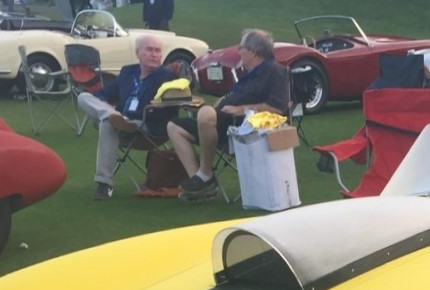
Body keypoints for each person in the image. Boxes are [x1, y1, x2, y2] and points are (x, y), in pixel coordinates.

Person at [170, 29, 289, 203]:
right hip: (221, 122)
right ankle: (201, 183)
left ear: (253, 52)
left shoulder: (275, 71)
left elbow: (278, 108)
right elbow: (233, 96)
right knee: (174, 126)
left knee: (206, 113)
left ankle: (205, 173)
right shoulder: (247, 73)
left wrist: (244, 109)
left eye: (241, 47)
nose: (239, 51)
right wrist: (218, 104)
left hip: (243, 129)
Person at [75, 34, 175, 200]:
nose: (154, 54)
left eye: (157, 51)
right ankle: (113, 116)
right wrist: (107, 108)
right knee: (84, 98)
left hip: (145, 125)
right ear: (137, 53)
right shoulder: (128, 72)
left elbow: (181, 94)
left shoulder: (167, 77)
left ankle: (104, 184)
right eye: (149, 50)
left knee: (107, 124)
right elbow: (104, 94)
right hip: (120, 118)